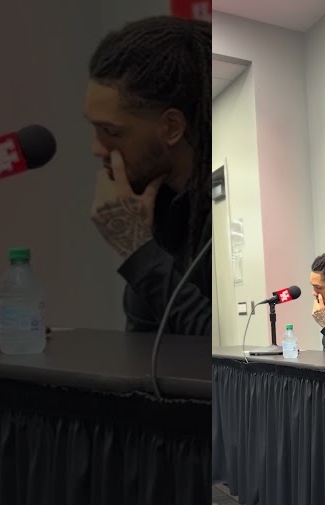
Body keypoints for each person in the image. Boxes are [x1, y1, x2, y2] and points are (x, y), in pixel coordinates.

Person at [85, 15, 211, 336]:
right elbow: (145, 343)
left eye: (110, 132)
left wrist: (138, 250)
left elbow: (226, 349)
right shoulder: (164, 203)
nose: (97, 149)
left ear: (170, 127)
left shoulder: (230, 209)